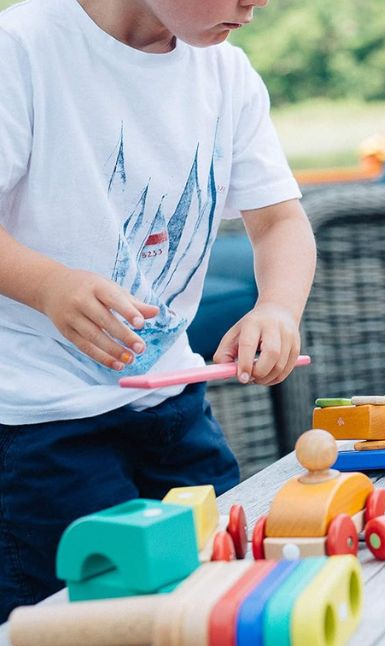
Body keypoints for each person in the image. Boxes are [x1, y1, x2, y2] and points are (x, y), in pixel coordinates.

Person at [0, 0, 316, 620]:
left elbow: (280, 221)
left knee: (229, 601)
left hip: (173, 410)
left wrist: (278, 308)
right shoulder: (22, 48)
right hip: (39, 431)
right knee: (84, 622)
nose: (255, 3)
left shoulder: (226, 74)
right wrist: (48, 285)